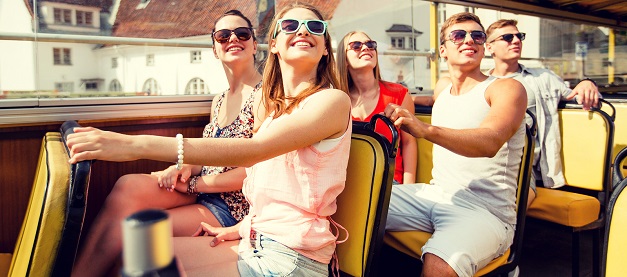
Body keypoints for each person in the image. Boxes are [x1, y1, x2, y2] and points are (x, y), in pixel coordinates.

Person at [67, 3, 351, 276]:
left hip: (291, 256)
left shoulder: (332, 101)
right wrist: (242, 228)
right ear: (274, 44)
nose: (303, 31)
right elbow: (271, 190)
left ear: (325, 47)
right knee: (138, 253)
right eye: (290, 26)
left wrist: (134, 145)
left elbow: (253, 152)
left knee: (147, 263)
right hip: (258, 239)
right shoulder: (277, 110)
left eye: (314, 27)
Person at [71, 10, 262, 276]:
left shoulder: (264, 97)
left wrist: (195, 183)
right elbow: (210, 151)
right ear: (214, 49)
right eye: (223, 35)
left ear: (254, 44)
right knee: (128, 186)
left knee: (138, 230)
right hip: (203, 192)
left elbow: (258, 170)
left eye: (242, 34)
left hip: (232, 208)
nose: (233, 39)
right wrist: (184, 166)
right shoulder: (219, 100)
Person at [383, 12, 527, 277]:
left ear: (484, 46)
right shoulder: (442, 88)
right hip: (436, 194)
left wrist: (425, 129)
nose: (468, 40)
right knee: (352, 203)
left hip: (485, 211)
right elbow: (429, 100)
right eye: (458, 35)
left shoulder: (506, 89)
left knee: (439, 267)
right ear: (443, 50)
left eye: (477, 35)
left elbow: (490, 141)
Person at [485, 19, 601, 206]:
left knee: (506, 205)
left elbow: (579, 97)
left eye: (519, 36)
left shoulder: (542, 77)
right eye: (507, 37)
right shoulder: (481, 83)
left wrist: (587, 82)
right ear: (490, 47)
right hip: (486, 159)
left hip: (522, 165)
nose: (516, 41)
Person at [336, 31, 417, 184]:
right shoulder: (338, 101)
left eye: (370, 44)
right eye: (356, 46)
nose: (366, 48)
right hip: (350, 184)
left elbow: (408, 143)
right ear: (344, 58)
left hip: (391, 184)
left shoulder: (398, 94)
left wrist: (409, 187)